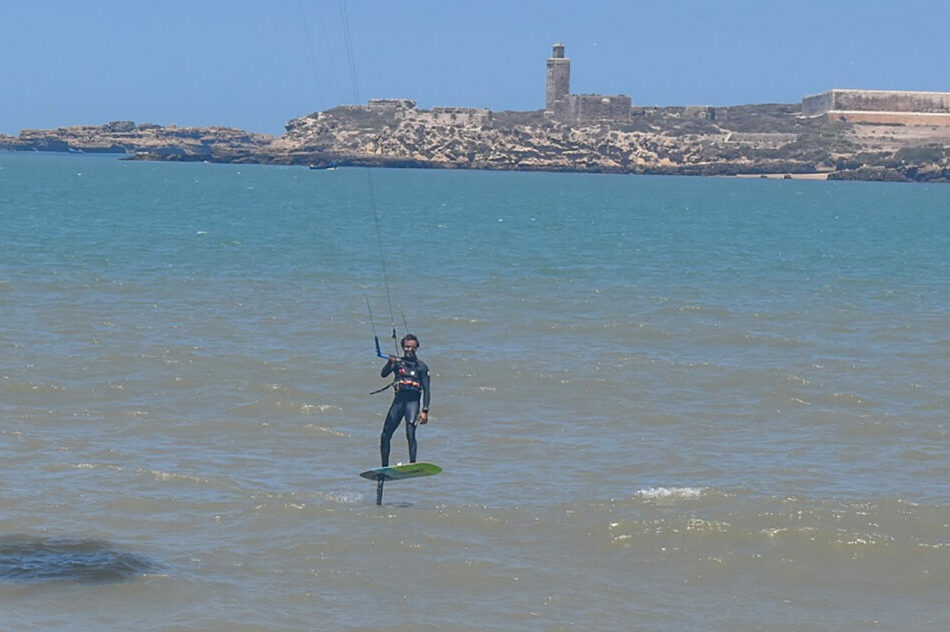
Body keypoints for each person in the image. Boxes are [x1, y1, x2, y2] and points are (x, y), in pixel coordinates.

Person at [379, 334, 430, 467]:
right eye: (407, 347)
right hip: (399, 402)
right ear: (403, 347)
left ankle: (412, 463)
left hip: (412, 403)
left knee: (410, 431)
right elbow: (383, 374)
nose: (409, 350)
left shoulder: (421, 367)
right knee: (385, 434)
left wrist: (425, 411)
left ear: (417, 348)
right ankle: (384, 467)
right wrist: (390, 362)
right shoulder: (397, 363)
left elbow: (427, 390)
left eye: (412, 347)